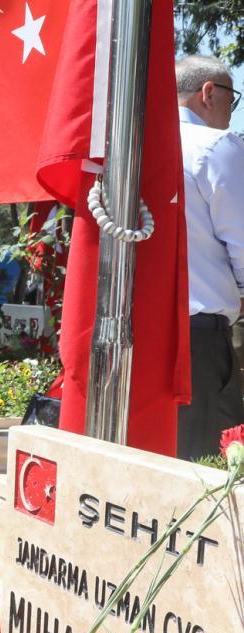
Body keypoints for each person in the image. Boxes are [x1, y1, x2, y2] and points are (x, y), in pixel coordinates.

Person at [176, 55, 244, 460]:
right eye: (232, 100)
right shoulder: (216, 145)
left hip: (139, 332)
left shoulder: (132, 147)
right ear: (208, 94)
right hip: (199, 337)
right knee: (207, 462)